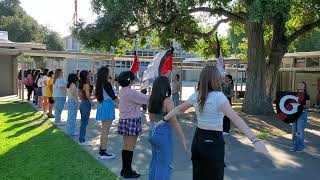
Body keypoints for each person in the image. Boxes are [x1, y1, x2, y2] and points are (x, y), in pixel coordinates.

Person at [159, 66, 270, 180]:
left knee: (198, 176)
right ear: (215, 79)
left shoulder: (196, 96)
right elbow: (236, 118)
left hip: (198, 141)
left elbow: (178, 109)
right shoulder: (219, 97)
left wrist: (163, 120)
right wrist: (255, 140)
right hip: (213, 142)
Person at [148, 76, 187, 180]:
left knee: (155, 161)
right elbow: (174, 121)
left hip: (153, 131)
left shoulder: (151, 99)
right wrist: (182, 137)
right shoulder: (167, 101)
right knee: (164, 165)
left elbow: (151, 119)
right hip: (163, 133)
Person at [117, 71, 149, 178]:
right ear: (130, 80)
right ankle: (127, 171)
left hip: (125, 120)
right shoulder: (131, 92)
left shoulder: (123, 91)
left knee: (126, 147)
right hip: (131, 120)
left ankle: (125, 169)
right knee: (130, 148)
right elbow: (147, 99)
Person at [95, 66, 119, 159]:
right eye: (108, 72)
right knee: (105, 130)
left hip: (102, 105)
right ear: (105, 73)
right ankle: (103, 152)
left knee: (104, 130)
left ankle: (102, 150)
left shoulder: (99, 83)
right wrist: (124, 105)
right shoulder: (106, 83)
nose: (110, 73)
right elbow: (114, 97)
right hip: (107, 106)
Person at [291, 82, 310, 152]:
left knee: (299, 131)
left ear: (304, 87)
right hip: (294, 114)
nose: (300, 85)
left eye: (302, 85)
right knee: (294, 131)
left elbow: (308, 106)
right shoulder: (294, 95)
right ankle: (294, 146)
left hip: (302, 114)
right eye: (299, 84)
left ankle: (300, 146)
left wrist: (299, 106)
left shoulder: (306, 96)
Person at [78, 70, 93, 145]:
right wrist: (92, 102)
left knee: (83, 122)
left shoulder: (81, 84)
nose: (89, 75)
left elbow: (79, 94)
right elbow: (87, 95)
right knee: (84, 123)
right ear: (86, 76)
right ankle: (82, 140)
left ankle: (81, 139)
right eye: (88, 74)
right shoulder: (86, 84)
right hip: (86, 103)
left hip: (83, 103)